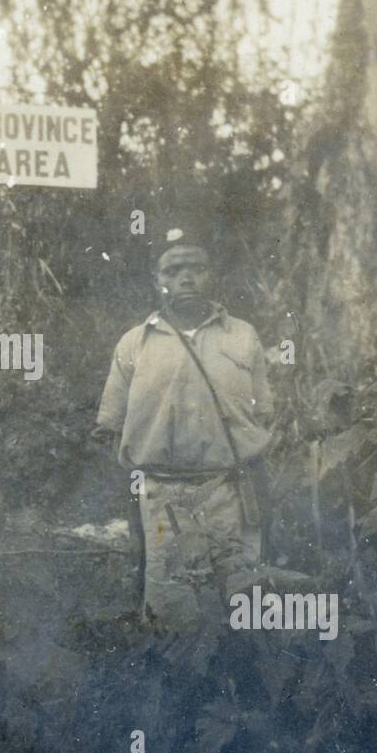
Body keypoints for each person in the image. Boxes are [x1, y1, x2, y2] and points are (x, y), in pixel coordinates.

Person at [91, 229, 273, 634]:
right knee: (171, 611)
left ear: (212, 276)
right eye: (173, 271)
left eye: (196, 268)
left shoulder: (243, 336)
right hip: (161, 497)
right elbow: (109, 427)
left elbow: (264, 414)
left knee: (241, 604)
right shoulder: (134, 344)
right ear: (158, 281)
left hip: (229, 492)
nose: (186, 278)